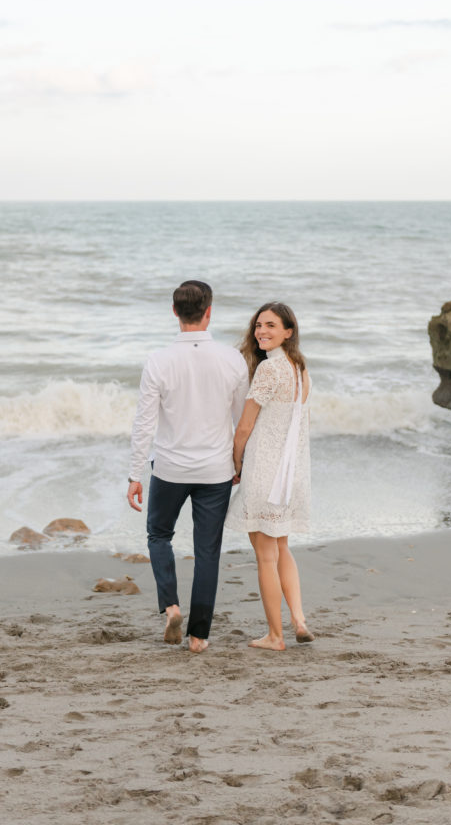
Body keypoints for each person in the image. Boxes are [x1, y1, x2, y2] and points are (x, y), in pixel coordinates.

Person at [127, 280, 249, 653]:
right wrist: (240, 464)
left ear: (175, 312)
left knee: (159, 535)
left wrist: (135, 474)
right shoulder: (232, 359)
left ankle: (171, 605)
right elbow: (243, 419)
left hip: (170, 468)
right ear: (209, 312)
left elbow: (144, 423)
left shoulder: (159, 360)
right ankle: (199, 637)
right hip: (216, 471)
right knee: (208, 550)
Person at [226, 301, 314, 650]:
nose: (262, 331)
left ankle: (276, 636)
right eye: (259, 325)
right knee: (281, 547)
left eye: (271, 326)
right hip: (292, 474)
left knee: (265, 555)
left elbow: (245, 427)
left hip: (264, 472)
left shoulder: (268, 370)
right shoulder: (301, 370)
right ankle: (299, 619)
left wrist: (236, 464)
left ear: (288, 332)